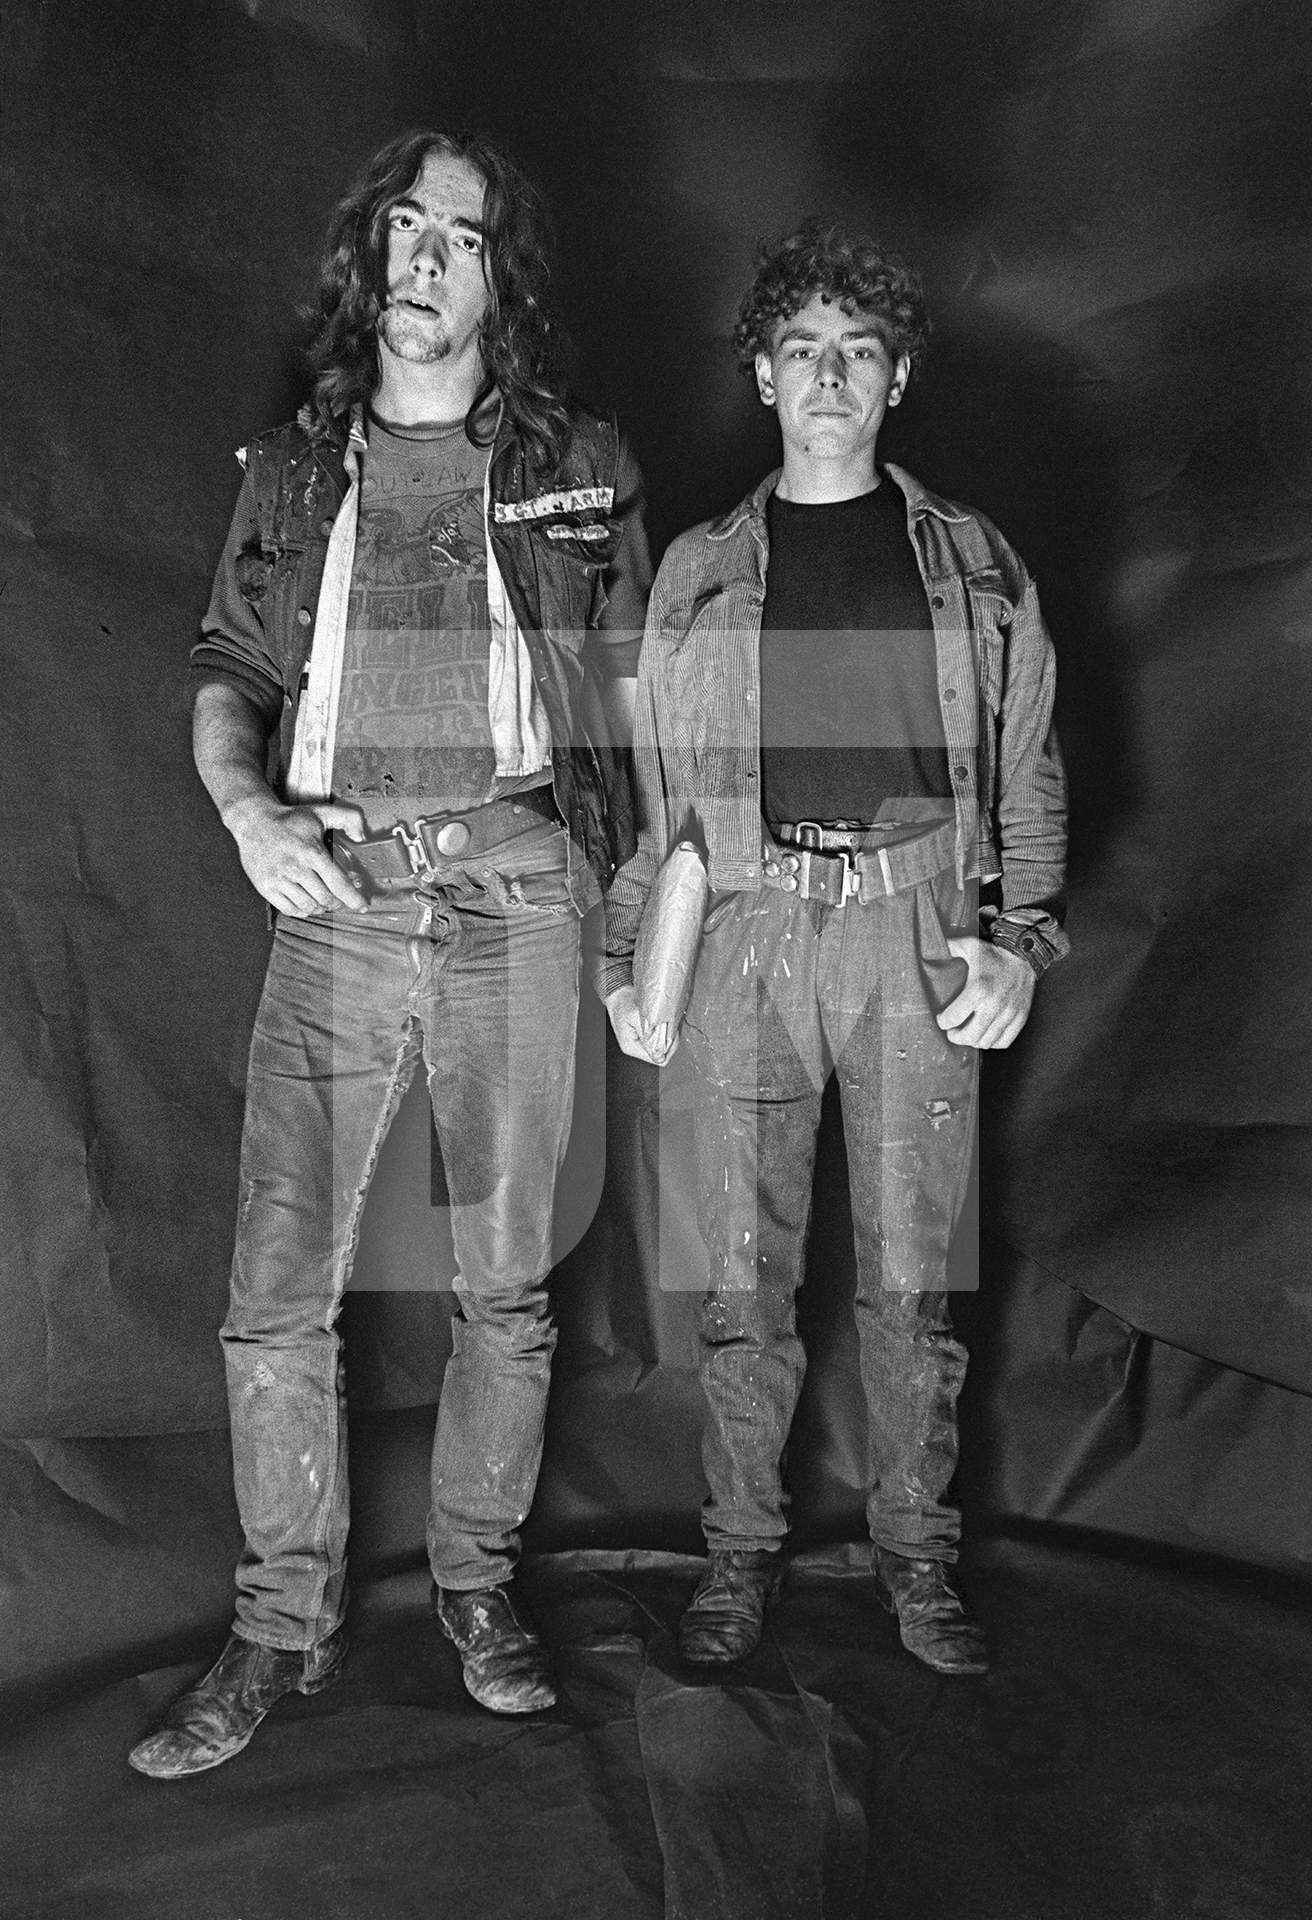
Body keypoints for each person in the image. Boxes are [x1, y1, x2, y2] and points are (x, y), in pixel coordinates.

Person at [130, 129, 650, 1778]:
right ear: (377, 258)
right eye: (405, 230)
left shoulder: (584, 464)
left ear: (506, 276)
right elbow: (227, 665)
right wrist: (245, 816)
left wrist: (642, 907)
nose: (426, 259)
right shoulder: (293, 472)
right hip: (338, 890)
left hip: (517, 888)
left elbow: (642, 696)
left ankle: (479, 1592)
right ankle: (283, 1624)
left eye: (465, 237)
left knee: (508, 1284)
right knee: (277, 1290)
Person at [603, 221, 1067, 1677]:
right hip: (746, 929)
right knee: (741, 1284)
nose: (828, 376)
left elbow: (1032, 764)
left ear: (897, 378)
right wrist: (632, 964)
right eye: (800, 350)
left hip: (918, 932)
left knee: (913, 1282)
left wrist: (1022, 948)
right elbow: (652, 800)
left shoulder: (975, 563)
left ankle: (917, 1558)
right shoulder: (695, 572)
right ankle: (740, 1554)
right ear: (760, 373)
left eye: (857, 353)